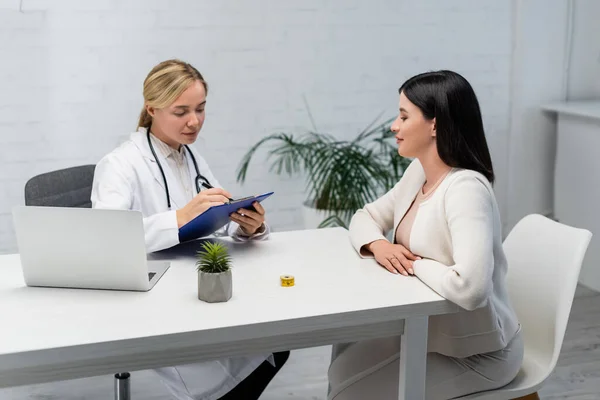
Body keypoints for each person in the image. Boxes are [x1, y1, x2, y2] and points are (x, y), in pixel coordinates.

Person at [91, 59, 289, 400]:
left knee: (277, 343)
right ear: (152, 108)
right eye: (181, 111)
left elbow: (215, 225)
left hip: (197, 284)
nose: (194, 121)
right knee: (230, 370)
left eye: (200, 109)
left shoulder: (192, 156)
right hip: (152, 296)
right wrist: (178, 218)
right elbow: (107, 242)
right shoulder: (120, 165)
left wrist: (248, 227)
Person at [327, 70, 524, 400]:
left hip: (479, 352)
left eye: (404, 116)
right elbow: (366, 216)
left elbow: (471, 288)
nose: (394, 125)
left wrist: (414, 264)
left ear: (435, 124)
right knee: (340, 367)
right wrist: (378, 245)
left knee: (348, 394)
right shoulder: (418, 171)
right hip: (429, 333)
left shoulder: (465, 190)